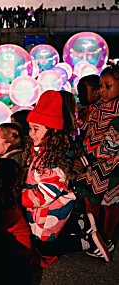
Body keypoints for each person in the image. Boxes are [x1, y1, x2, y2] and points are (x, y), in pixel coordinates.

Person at [20, 90, 110, 267]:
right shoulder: (44, 150)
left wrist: (19, 195)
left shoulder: (54, 165)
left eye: (36, 129)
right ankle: (81, 223)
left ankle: (85, 243)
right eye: (30, 128)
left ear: (52, 131)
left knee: (46, 246)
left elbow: (42, 197)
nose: (30, 133)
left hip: (49, 212)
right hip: (42, 211)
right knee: (45, 236)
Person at [76, 63, 119, 259]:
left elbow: (110, 146)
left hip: (111, 167)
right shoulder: (101, 105)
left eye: (107, 86)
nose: (102, 90)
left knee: (110, 204)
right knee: (91, 196)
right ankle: (95, 233)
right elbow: (88, 127)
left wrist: (85, 159)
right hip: (93, 164)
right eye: (101, 86)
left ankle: (107, 239)